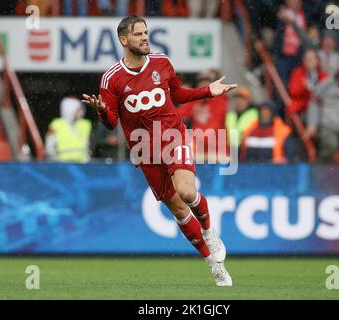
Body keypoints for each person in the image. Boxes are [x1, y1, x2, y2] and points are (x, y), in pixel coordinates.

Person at [82, 16, 237, 286]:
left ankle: (210, 231)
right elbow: (111, 124)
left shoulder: (161, 62)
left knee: (188, 192)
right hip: (144, 149)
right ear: (123, 40)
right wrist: (101, 111)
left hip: (173, 136)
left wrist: (207, 92)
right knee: (178, 210)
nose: (144, 37)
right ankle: (212, 263)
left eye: (146, 32)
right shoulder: (111, 79)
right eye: (138, 34)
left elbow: (176, 95)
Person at [45, 97, 92, 162]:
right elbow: (50, 147)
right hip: (62, 163)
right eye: (77, 109)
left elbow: (88, 144)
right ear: (69, 110)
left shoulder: (85, 124)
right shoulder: (56, 124)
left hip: (82, 163)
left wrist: (86, 158)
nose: (81, 112)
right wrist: (55, 160)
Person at [225, 86, 259, 152]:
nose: (239, 101)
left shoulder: (255, 114)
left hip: (247, 150)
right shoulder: (230, 115)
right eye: (236, 99)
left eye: (242, 99)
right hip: (231, 150)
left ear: (248, 101)